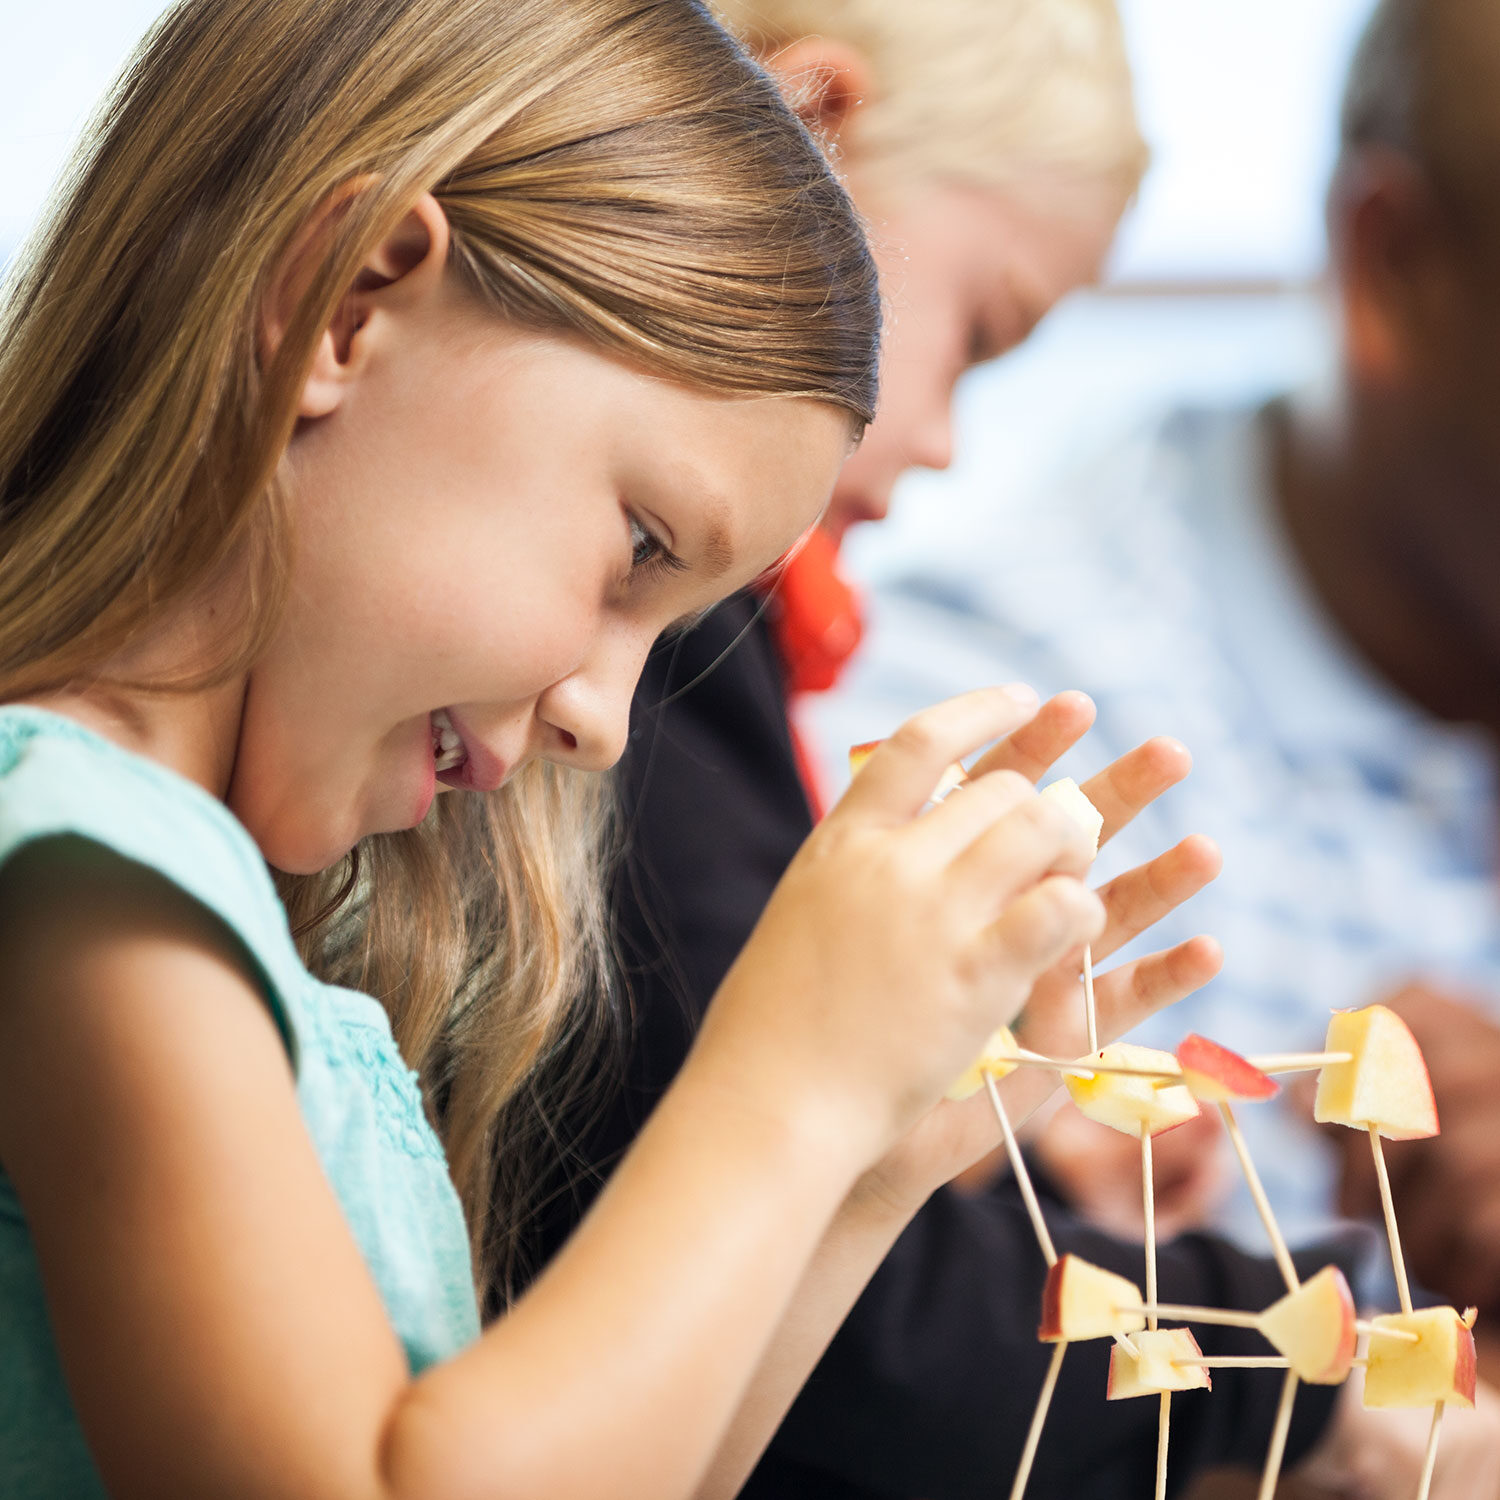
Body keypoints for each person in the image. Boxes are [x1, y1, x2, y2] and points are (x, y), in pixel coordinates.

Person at [0, 2, 1208, 1495]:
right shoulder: (94, 878)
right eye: (640, 547)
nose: (605, 724)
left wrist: (872, 1164)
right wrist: (792, 1084)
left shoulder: (206, 910)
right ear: (345, 309)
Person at [528, 3, 1500, 1497]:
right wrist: (1314, 1381)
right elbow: (821, 1314)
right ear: (806, 134)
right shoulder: (779, 680)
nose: (944, 450)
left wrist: (989, 1171)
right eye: (978, 338)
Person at [812, 0, 1500, 1347]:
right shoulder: (1006, 735)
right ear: (1395, 265)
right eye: (977, 332)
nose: (935, 440)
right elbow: (897, 1345)